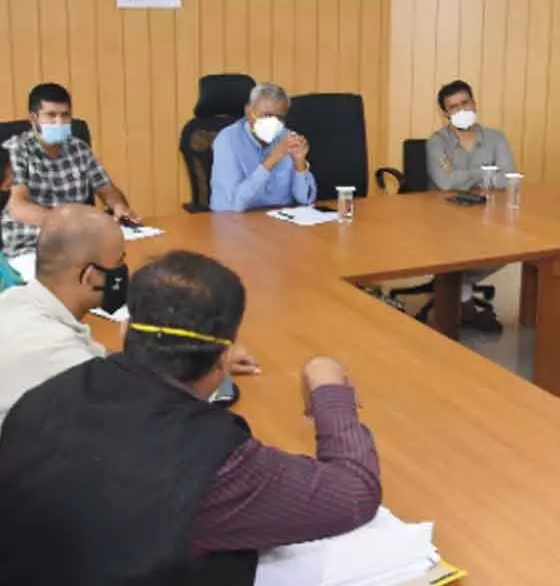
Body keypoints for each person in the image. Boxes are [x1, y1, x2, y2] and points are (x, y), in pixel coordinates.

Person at [0, 250, 382, 584]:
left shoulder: (42, 397)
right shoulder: (213, 464)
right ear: (221, 359)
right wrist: (327, 382)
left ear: (125, 330)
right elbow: (354, 494)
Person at [0, 205, 259, 427]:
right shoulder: (66, 362)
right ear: (90, 277)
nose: (124, 273)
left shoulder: (13, 302)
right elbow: (146, 413)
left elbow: (103, 361)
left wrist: (195, 352)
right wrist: (202, 371)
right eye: (118, 264)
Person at [0, 82, 137, 258]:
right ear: (33, 118)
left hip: (79, 243)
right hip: (32, 245)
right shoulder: (16, 150)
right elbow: (18, 207)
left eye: (65, 115)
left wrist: (118, 206)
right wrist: (69, 225)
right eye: (51, 115)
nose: (59, 122)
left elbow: (106, 188)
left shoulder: (79, 148)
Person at [426, 80, 517, 333]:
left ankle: (460, 289)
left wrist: (464, 174)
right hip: (444, 219)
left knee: (512, 247)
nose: (461, 110)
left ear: (474, 103)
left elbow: (508, 179)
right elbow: (446, 183)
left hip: (487, 216)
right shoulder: (436, 143)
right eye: (453, 107)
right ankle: (459, 302)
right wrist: (484, 173)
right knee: (458, 246)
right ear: (445, 113)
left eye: (465, 103)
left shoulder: (496, 139)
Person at [210, 82, 316, 212]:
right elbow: (233, 206)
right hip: (236, 222)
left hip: (279, 220)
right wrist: (272, 160)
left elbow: (306, 199)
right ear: (248, 111)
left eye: (280, 118)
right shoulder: (227, 140)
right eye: (266, 115)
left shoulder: (288, 137)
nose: (274, 123)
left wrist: (300, 163)